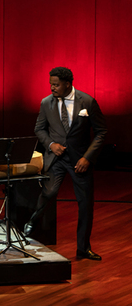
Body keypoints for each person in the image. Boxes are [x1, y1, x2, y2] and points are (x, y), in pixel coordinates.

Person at [25, 66, 107, 261]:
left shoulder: (87, 102)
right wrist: (51, 145)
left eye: (56, 84)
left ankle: (83, 248)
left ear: (68, 84)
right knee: (49, 192)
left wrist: (87, 157)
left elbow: (101, 132)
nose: (52, 88)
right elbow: (39, 129)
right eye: (51, 84)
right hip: (56, 159)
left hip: (80, 160)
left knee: (85, 204)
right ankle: (31, 224)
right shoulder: (46, 103)